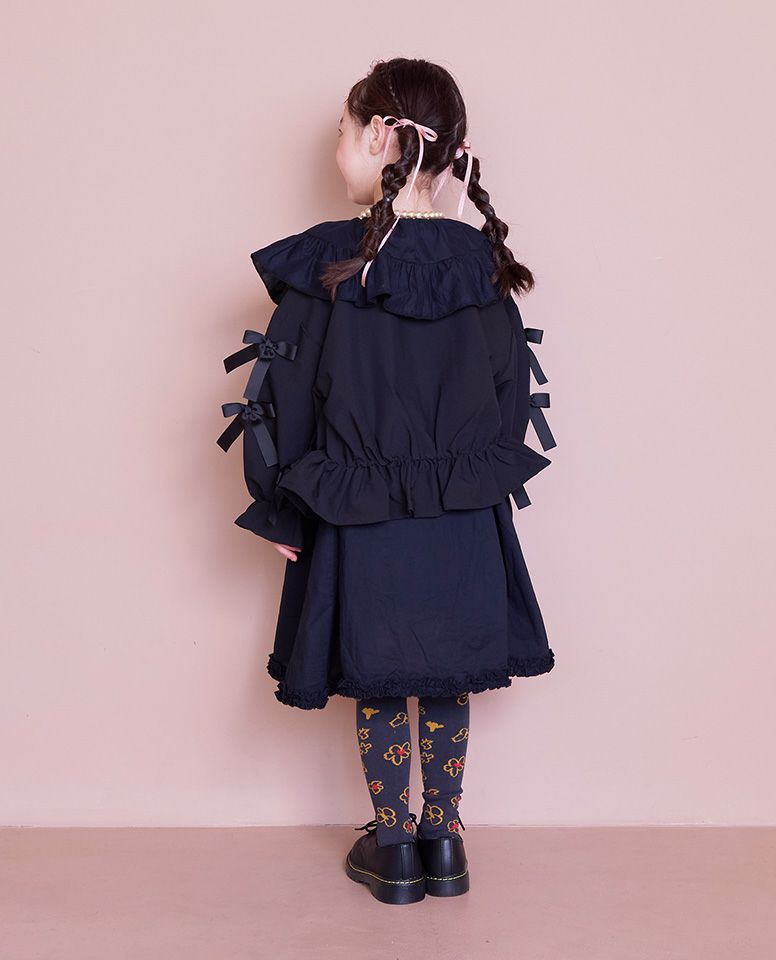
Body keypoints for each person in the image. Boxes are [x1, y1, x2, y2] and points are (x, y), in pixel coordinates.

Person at [217, 57, 558, 906]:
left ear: (378, 136)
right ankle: (445, 839)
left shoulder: (332, 262)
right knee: (444, 671)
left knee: (377, 670)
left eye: (342, 131)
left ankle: (394, 846)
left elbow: (282, 393)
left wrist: (280, 503)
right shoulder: (481, 265)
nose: (337, 147)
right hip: (461, 509)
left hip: (359, 509)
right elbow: (510, 392)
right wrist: (469, 479)